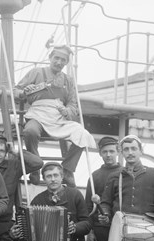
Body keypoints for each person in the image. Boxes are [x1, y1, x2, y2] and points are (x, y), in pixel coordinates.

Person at [15, 45, 96, 186]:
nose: (59, 62)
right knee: (30, 131)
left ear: (66, 62)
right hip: (37, 114)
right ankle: (35, 165)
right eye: (56, 58)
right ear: (50, 57)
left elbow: (72, 104)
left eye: (63, 60)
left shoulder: (69, 80)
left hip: (58, 117)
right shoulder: (36, 72)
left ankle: (67, 168)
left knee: (83, 134)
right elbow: (16, 90)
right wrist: (24, 92)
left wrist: (67, 111)